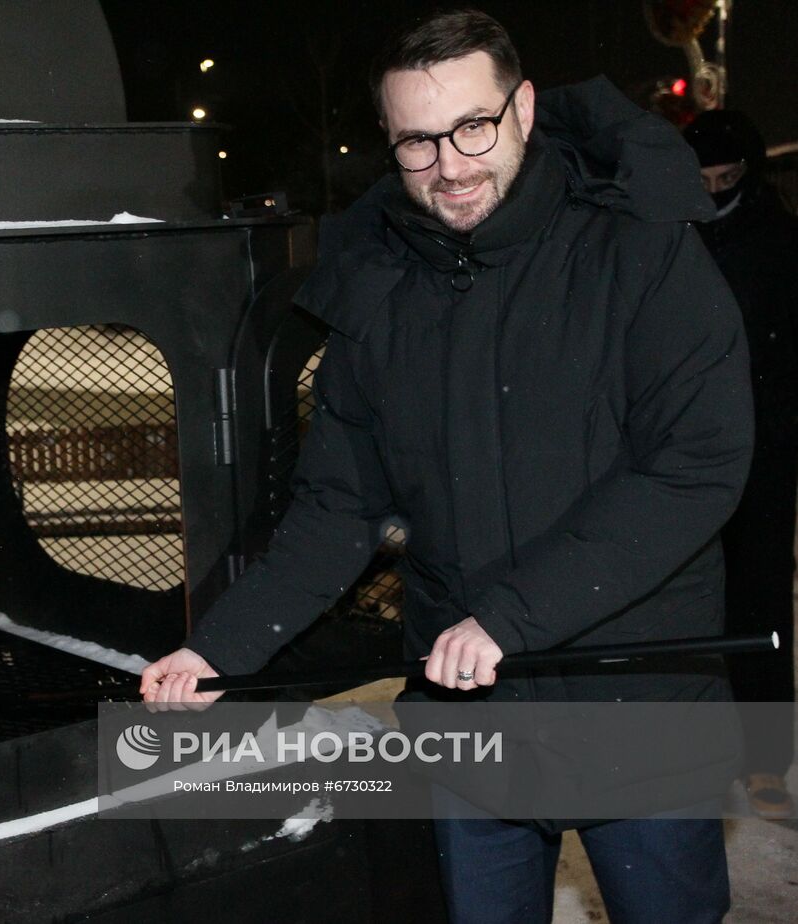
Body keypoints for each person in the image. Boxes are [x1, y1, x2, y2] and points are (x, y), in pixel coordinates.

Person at [142, 9, 750, 923]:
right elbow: (337, 508)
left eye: (473, 127)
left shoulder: (640, 245)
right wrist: (218, 650)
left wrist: (509, 617)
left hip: (637, 698)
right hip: (472, 716)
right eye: (417, 143)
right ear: (388, 142)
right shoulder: (378, 284)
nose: (451, 166)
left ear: (525, 108)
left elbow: (696, 465)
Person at [685, 108, 798, 820]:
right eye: (704, 175)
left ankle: (764, 761)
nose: (715, 186)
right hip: (685, 449)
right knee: (689, 602)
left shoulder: (779, 240)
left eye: (727, 175)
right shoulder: (670, 232)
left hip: (764, 446)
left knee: (757, 597)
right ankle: (697, 750)